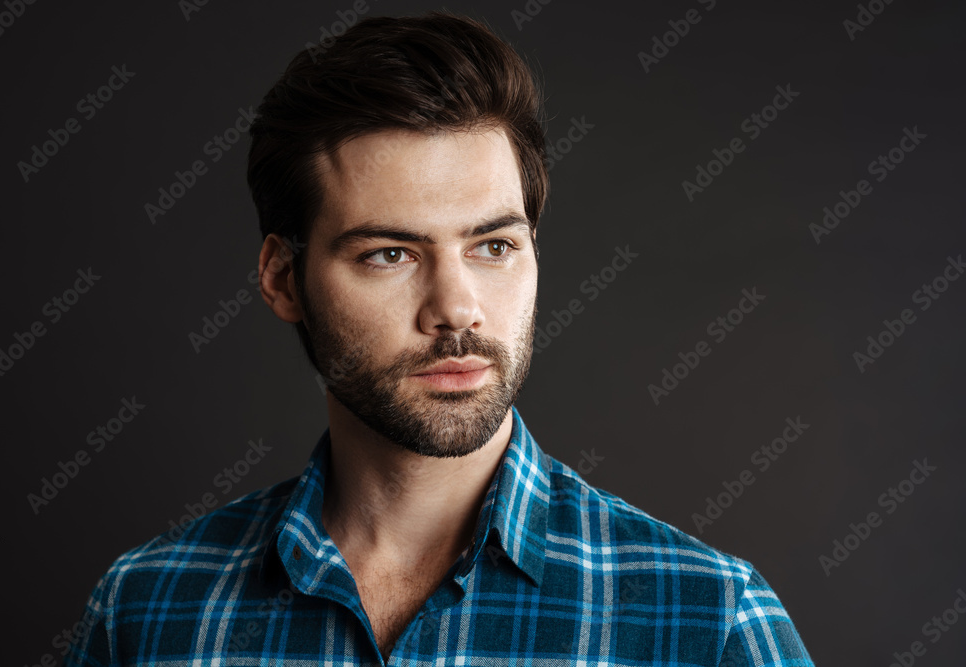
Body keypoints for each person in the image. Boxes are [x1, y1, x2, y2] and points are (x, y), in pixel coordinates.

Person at [66, 11, 815, 665]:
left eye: (493, 246)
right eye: (388, 254)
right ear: (283, 279)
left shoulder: (708, 620)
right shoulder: (147, 609)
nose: (457, 310)